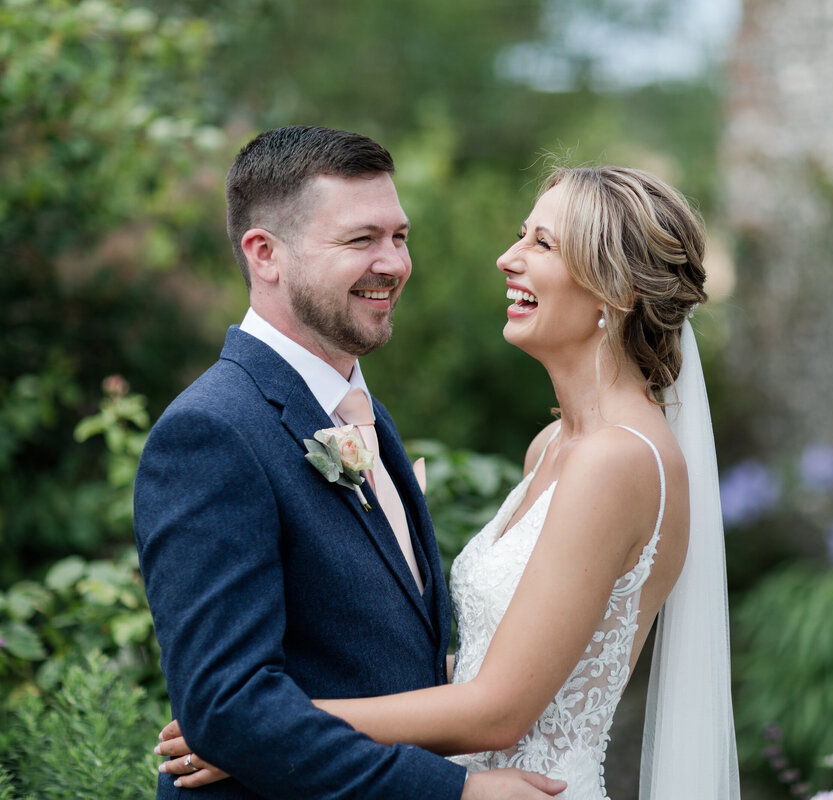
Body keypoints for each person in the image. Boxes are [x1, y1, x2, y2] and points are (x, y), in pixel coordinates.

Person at [155, 165, 740, 798]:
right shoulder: (552, 448)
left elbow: (499, 708)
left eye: (542, 244)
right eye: (522, 235)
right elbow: (512, 659)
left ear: (611, 289)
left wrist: (257, 731)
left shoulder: (617, 461)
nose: (507, 258)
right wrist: (259, 729)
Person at [134, 125, 567, 799]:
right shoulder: (211, 432)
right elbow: (226, 708)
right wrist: (456, 793)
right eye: (361, 240)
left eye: (399, 236)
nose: (394, 263)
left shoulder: (358, 411)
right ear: (265, 254)